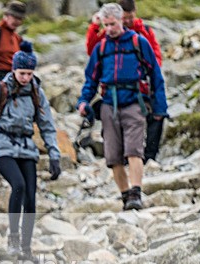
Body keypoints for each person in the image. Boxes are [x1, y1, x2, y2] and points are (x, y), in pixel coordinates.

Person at [0, 41, 61, 260]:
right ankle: (13, 238)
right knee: (17, 185)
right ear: (13, 70)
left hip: (26, 148)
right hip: (2, 145)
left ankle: (26, 248)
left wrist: (54, 155)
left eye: (30, 73)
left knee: (30, 196)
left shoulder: (36, 93)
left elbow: (47, 125)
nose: (26, 78)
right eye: (22, 73)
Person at [77, 3, 167, 211]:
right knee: (113, 156)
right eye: (106, 25)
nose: (109, 29)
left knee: (134, 150)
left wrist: (160, 108)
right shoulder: (101, 48)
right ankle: (125, 195)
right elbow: (91, 79)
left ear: (122, 21)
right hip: (109, 104)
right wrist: (83, 101)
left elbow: (155, 75)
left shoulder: (138, 42)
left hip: (135, 102)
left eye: (113, 24)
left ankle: (136, 193)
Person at [85, 0, 164, 162]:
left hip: (142, 84)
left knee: (156, 115)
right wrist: (94, 27)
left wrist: (144, 73)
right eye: (125, 18)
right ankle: (119, 154)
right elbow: (92, 50)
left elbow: (155, 58)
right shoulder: (109, 34)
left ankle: (150, 155)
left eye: (130, 18)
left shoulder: (143, 33)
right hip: (115, 90)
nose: (128, 21)